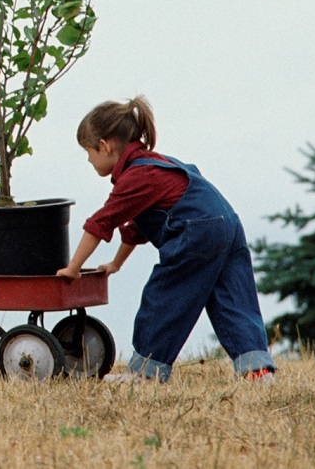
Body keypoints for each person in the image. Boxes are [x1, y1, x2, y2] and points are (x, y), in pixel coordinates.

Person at [55, 96, 276, 383]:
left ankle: (147, 372)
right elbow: (136, 227)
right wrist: (116, 263)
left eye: (88, 152)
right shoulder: (157, 164)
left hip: (197, 230)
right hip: (227, 225)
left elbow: (100, 223)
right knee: (232, 296)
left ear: (105, 146)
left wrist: (73, 267)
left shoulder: (137, 175)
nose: (88, 159)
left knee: (165, 297)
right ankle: (256, 370)